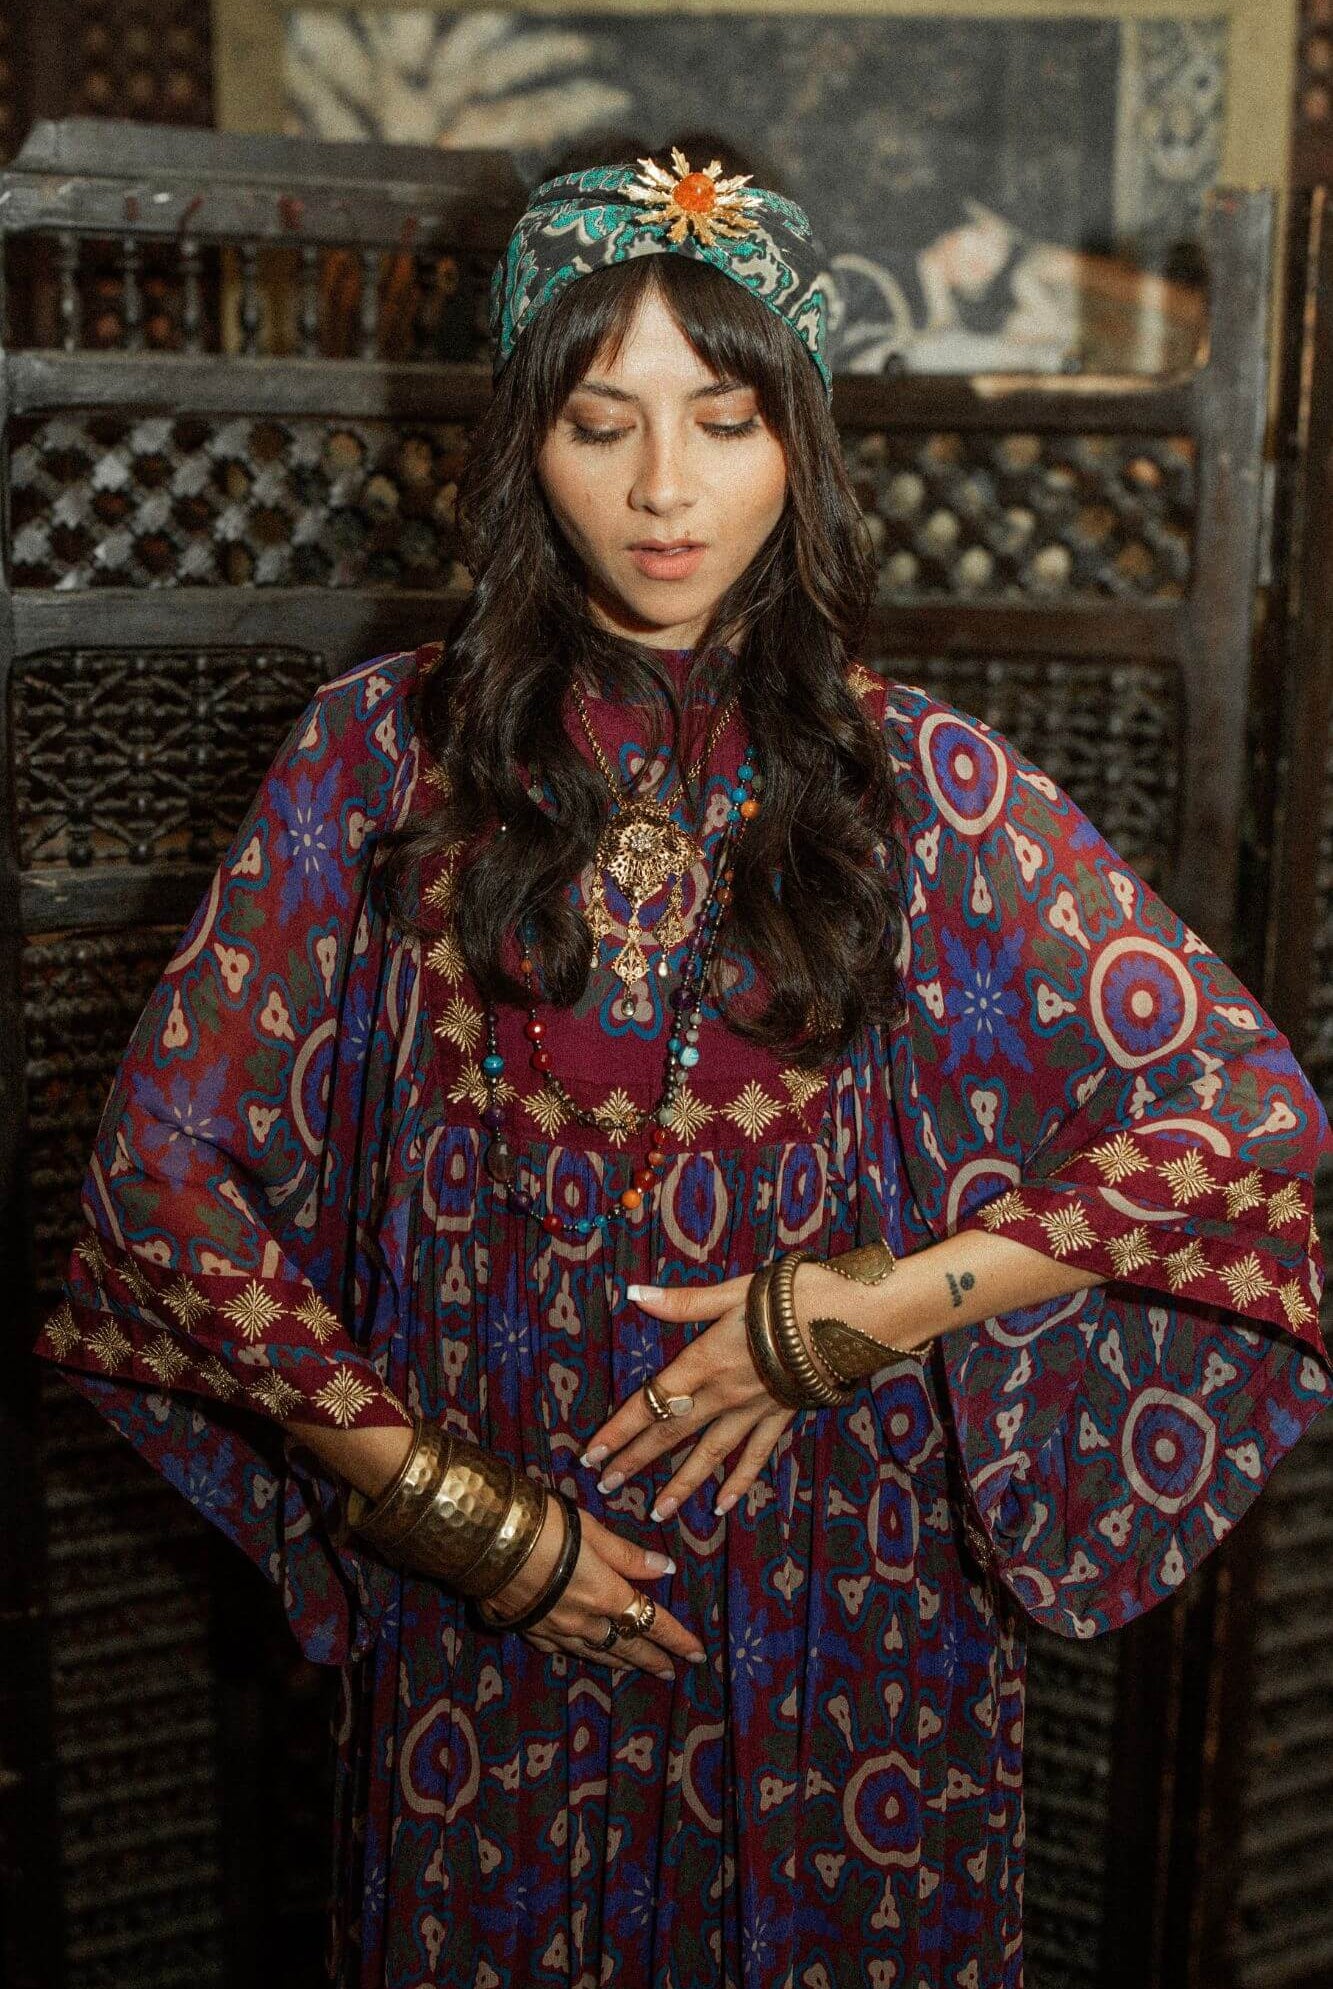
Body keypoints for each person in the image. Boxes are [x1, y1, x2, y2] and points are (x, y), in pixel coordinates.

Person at [32, 146, 1333, 1989]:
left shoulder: (921, 787)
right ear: (517, 444)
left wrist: (866, 1310)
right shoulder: (373, 763)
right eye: (598, 419)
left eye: (722, 419)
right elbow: (155, 1183)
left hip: (847, 1591)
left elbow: (1248, 1117)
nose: (664, 489)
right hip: (485, 1585)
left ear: (797, 438)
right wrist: (454, 1513)